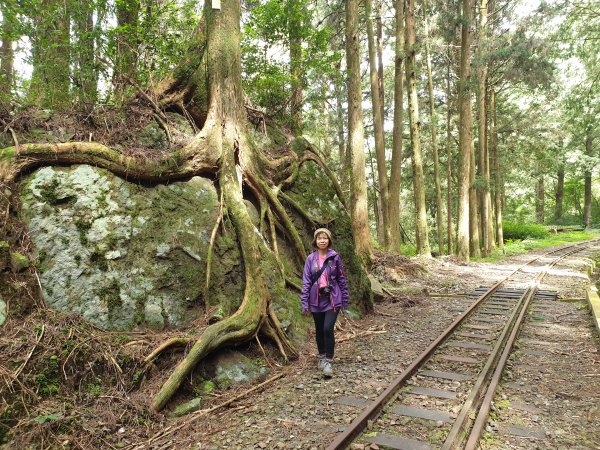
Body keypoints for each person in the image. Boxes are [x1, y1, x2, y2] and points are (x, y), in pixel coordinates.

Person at [300, 228, 349, 378]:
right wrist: (304, 301)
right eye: (320, 238)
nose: (322, 240)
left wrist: (345, 300)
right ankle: (321, 356)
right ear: (315, 240)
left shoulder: (335, 258)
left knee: (328, 328)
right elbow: (307, 281)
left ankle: (328, 361)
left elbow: (341, 279)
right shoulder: (310, 259)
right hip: (315, 300)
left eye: (325, 238)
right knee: (319, 330)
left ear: (329, 240)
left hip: (333, 299)